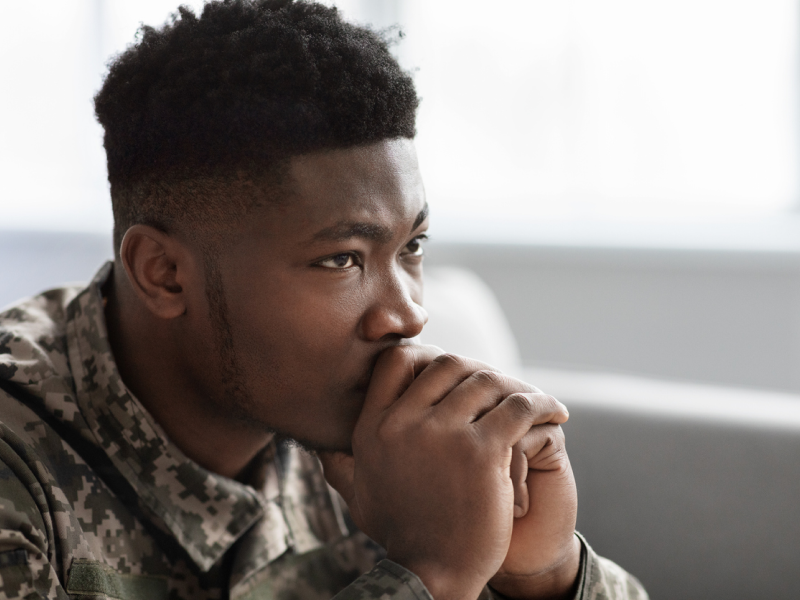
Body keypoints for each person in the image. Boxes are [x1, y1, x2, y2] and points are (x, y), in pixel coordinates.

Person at [0, 1, 648, 598]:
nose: (408, 315)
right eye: (342, 259)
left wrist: (545, 575)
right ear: (165, 273)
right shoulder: (17, 471)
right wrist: (431, 575)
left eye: (412, 246)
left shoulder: (385, 430)